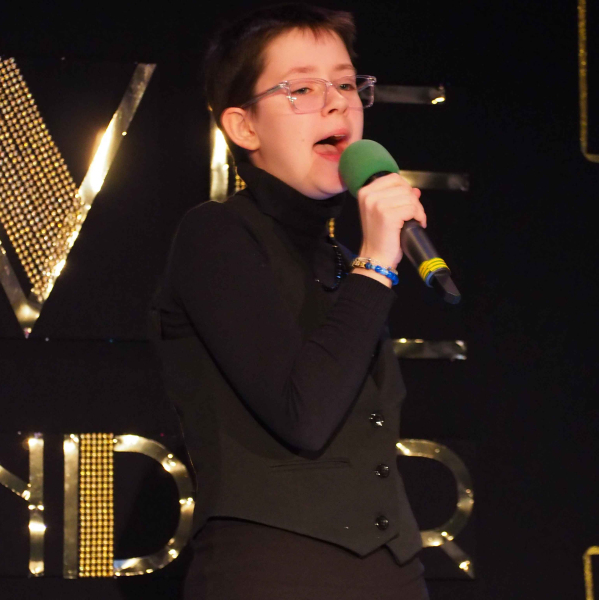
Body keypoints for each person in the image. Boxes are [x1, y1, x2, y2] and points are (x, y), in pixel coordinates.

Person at [154, 4, 430, 599]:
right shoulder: (216, 235)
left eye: (347, 84)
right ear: (244, 127)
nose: (337, 104)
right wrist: (377, 263)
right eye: (302, 88)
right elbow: (303, 413)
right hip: (274, 574)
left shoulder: (344, 260)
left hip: (393, 576)